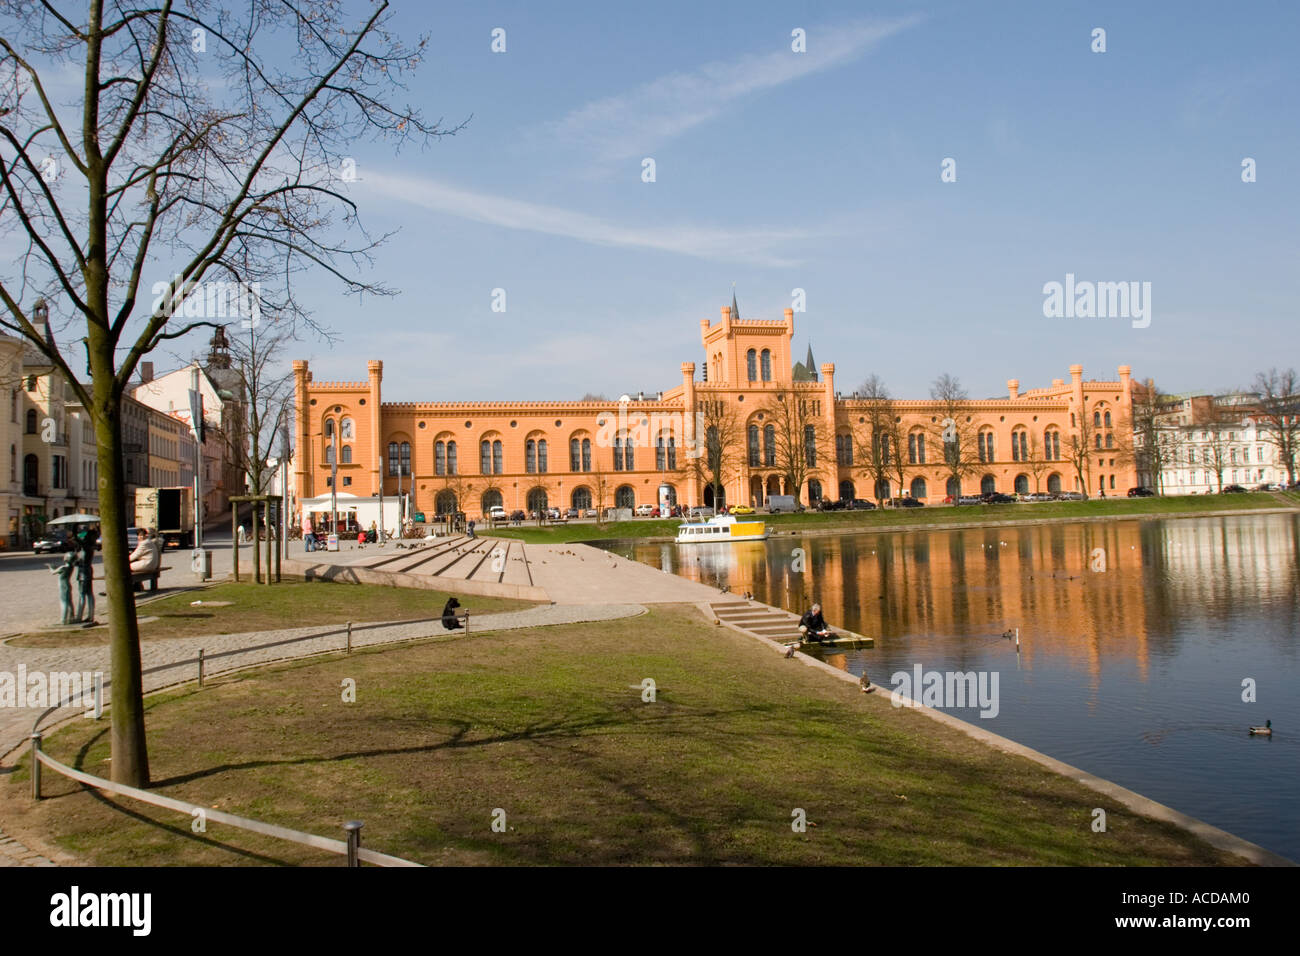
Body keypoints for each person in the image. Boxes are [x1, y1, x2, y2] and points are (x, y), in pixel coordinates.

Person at [49, 551, 77, 625]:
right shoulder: (71, 567)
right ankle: (71, 617)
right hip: (68, 585)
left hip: (63, 586)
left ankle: (63, 619)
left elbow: (53, 572)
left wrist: (50, 567)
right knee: (69, 602)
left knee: (63, 602)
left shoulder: (63, 568)